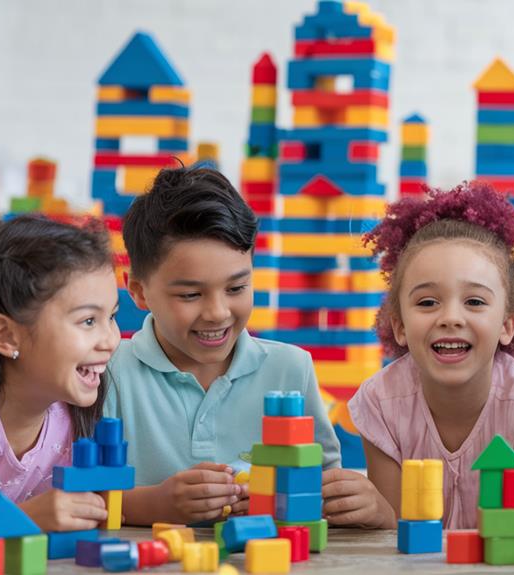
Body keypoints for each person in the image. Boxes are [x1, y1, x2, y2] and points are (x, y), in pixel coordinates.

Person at [105, 166, 340, 525]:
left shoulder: (291, 369)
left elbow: (323, 489)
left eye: (236, 288)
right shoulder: (109, 373)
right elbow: (77, 494)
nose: (217, 312)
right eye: (190, 294)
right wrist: (153, 505)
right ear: (138, 291)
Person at [332, 182, 514, 529]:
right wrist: (381, 515)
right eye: (428, 302)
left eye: (474, 302)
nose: (451, 318)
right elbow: (395, 539)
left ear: (507, 325)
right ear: (399, 325)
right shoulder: (378, 403)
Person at [0, 216, 119, 549]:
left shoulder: (75, 416)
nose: (110, 340)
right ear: (7, 336)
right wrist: (25, 518)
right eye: (88, 321)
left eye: (110, 317)